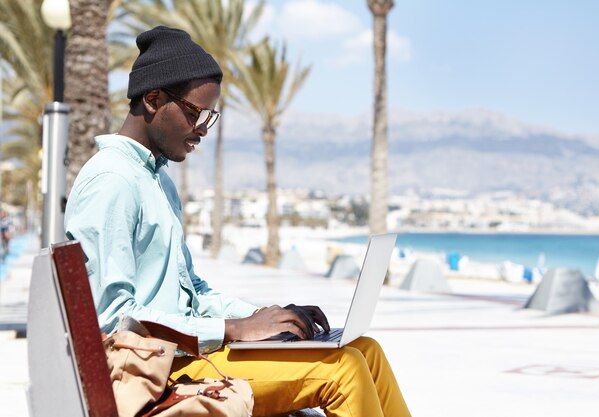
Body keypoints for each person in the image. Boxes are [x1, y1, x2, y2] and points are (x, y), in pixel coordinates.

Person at [64, 26, 410, 417]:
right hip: (156, 370)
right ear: (153, 99)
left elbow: (190, 291)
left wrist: (267, 319)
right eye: (196, 113)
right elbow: (111, 319)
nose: (202, 130)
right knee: (342, 370)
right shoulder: (112, 180)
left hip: (184, 354)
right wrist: (233, 330)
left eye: (211, 117)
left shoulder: (157, 179)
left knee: (366, 351)